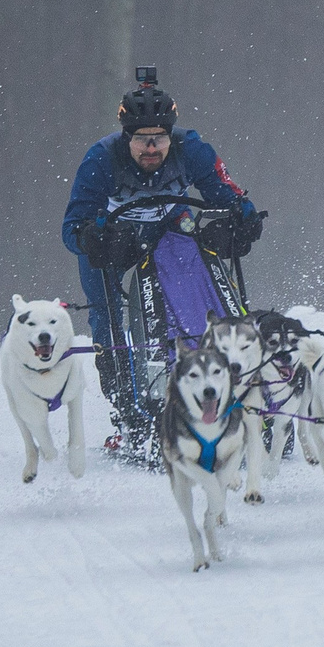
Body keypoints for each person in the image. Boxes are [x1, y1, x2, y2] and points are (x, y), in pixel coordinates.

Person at [62, 70, 262, 423]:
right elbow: (72, 227)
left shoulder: (193, 149)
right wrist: (89, 237)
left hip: (170, 226)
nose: (151, 148)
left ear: (172, 136)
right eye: (141, 140)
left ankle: (234, 373)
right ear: (126, 139)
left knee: (200, 275)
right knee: (105, 313)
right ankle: (125, 399)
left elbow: (226, 191)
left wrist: (244, 218)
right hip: (115, 237)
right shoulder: (101, 159)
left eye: (159, 139)